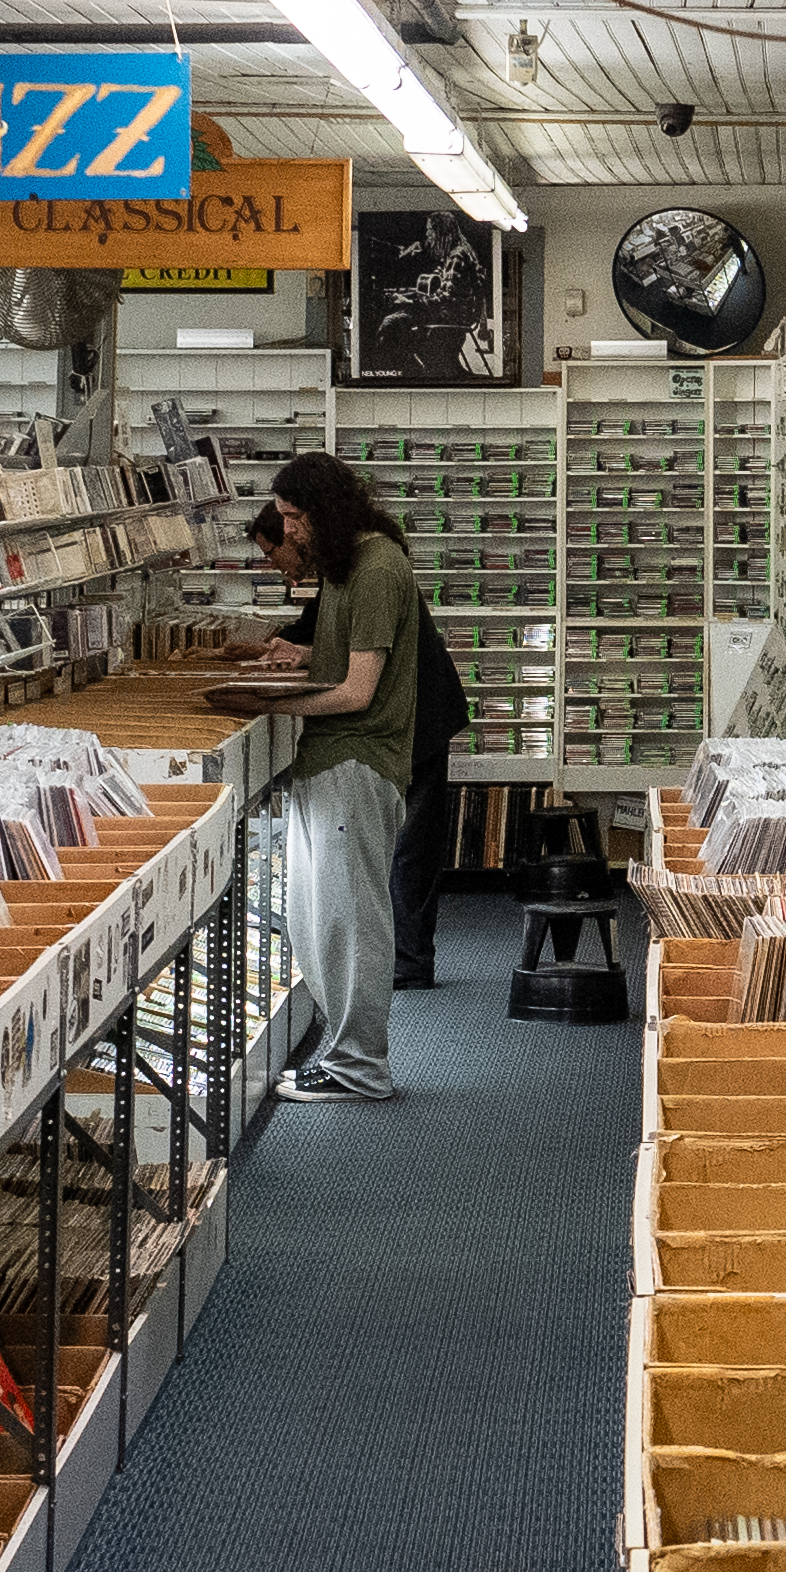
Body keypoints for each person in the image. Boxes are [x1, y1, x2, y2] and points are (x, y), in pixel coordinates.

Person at [213, 454, 435, 1098]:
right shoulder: (348, 565)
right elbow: (347, 656)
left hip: (356, 761)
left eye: (291, 518)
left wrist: (267, 702)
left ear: (322, 511)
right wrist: (300, 655)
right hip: (333, 762)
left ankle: (360, 1066)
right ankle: (344, 1054)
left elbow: (359, 690)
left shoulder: (374, 568)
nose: (287, 534)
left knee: (350, 921)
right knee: (318, 918)